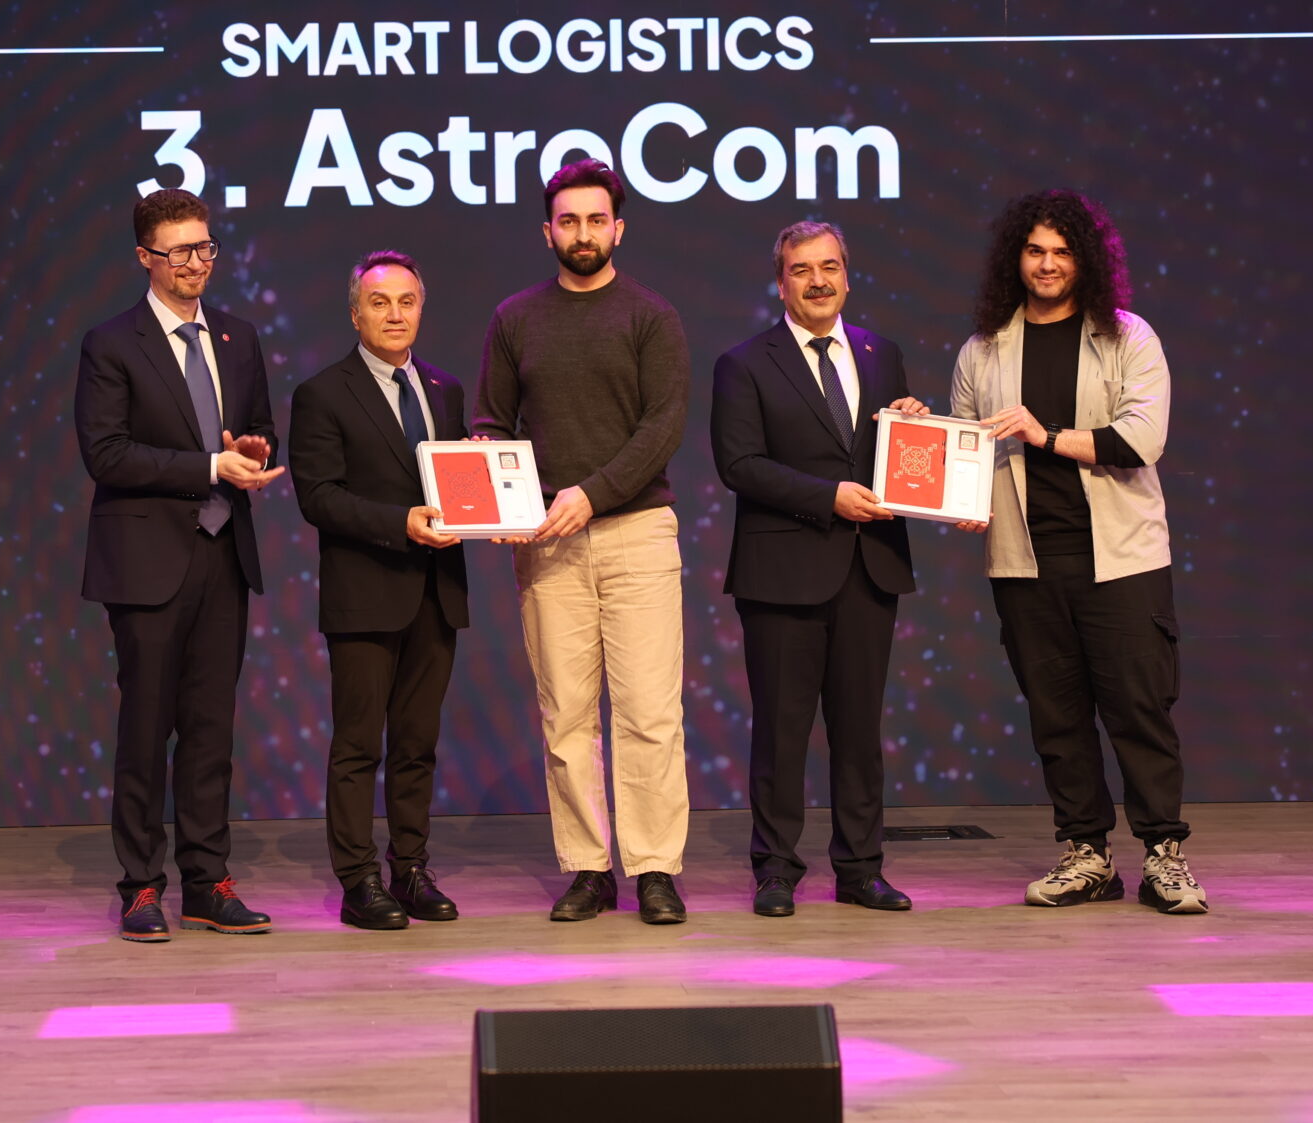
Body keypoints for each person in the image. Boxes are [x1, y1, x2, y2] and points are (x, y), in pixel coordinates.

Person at [949, 189, 1206, 914]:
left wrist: (1047, 435)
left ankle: (1164, 855)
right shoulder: (983, 349)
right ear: (1016, 258)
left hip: (1121, 559)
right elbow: (965, 448)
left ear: (1085, 260)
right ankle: (1087, 854)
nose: (1047, 264)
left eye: (1061, 252)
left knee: (1138, 711)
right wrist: (935, 460)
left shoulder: (1129, 337)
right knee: (1056, 718)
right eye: (1035, 250)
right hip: (1025, 562)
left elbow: (1141, 440)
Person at [473, 159, 692, 925]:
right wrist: (494, 491)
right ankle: (590, 868)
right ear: (548, 232)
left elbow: (662, 427)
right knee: (565, 713)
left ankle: (655, 867)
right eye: (569, 220)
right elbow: (490, 421)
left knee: (648, 712)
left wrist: (591, 493)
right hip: (546, 539)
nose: (583, 232)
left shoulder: (652, 315)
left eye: (597, 219)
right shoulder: (515, 317)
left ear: (619, 228)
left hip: (637, 532)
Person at [72, 188, 285, 943]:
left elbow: (258, 427)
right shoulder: (111, 343)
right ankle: (140, 885)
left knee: (209, 729)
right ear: (145, 257)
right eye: (180, 251)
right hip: (147, 560)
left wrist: (253, 450)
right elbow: (107, 453)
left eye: (205, 247)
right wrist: (208, 466)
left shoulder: (238, 337)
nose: (196, 263)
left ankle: (207, 881)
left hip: (223, 553)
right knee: (146, 727)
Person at [709, 220, 923, 916]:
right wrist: (828, 497)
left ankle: (861, 869)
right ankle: (776, 870)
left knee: (860, 732)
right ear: (781, 284)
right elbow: (739, 464)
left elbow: (894, 458)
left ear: (847, 277)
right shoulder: (744, 363)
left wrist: (914, 428)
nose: (818, 280)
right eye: (801, 269)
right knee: (782, 731)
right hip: (782, 574)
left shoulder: (882, 354)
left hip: (869, 568)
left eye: (829, 266)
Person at [287, 251, 472, 932]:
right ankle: (359, 878)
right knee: (359, 745)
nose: (395, 313)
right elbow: (319, 497)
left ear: (421, 308)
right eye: (379, 302)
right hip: (365, 593)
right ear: (355, 313)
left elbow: (462, 482)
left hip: (437, 591)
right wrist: (400, 523)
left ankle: (411, 868)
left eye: (407, 301)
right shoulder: (322, 392)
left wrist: (495, 515)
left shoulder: (445, 389)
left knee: (418, 743)